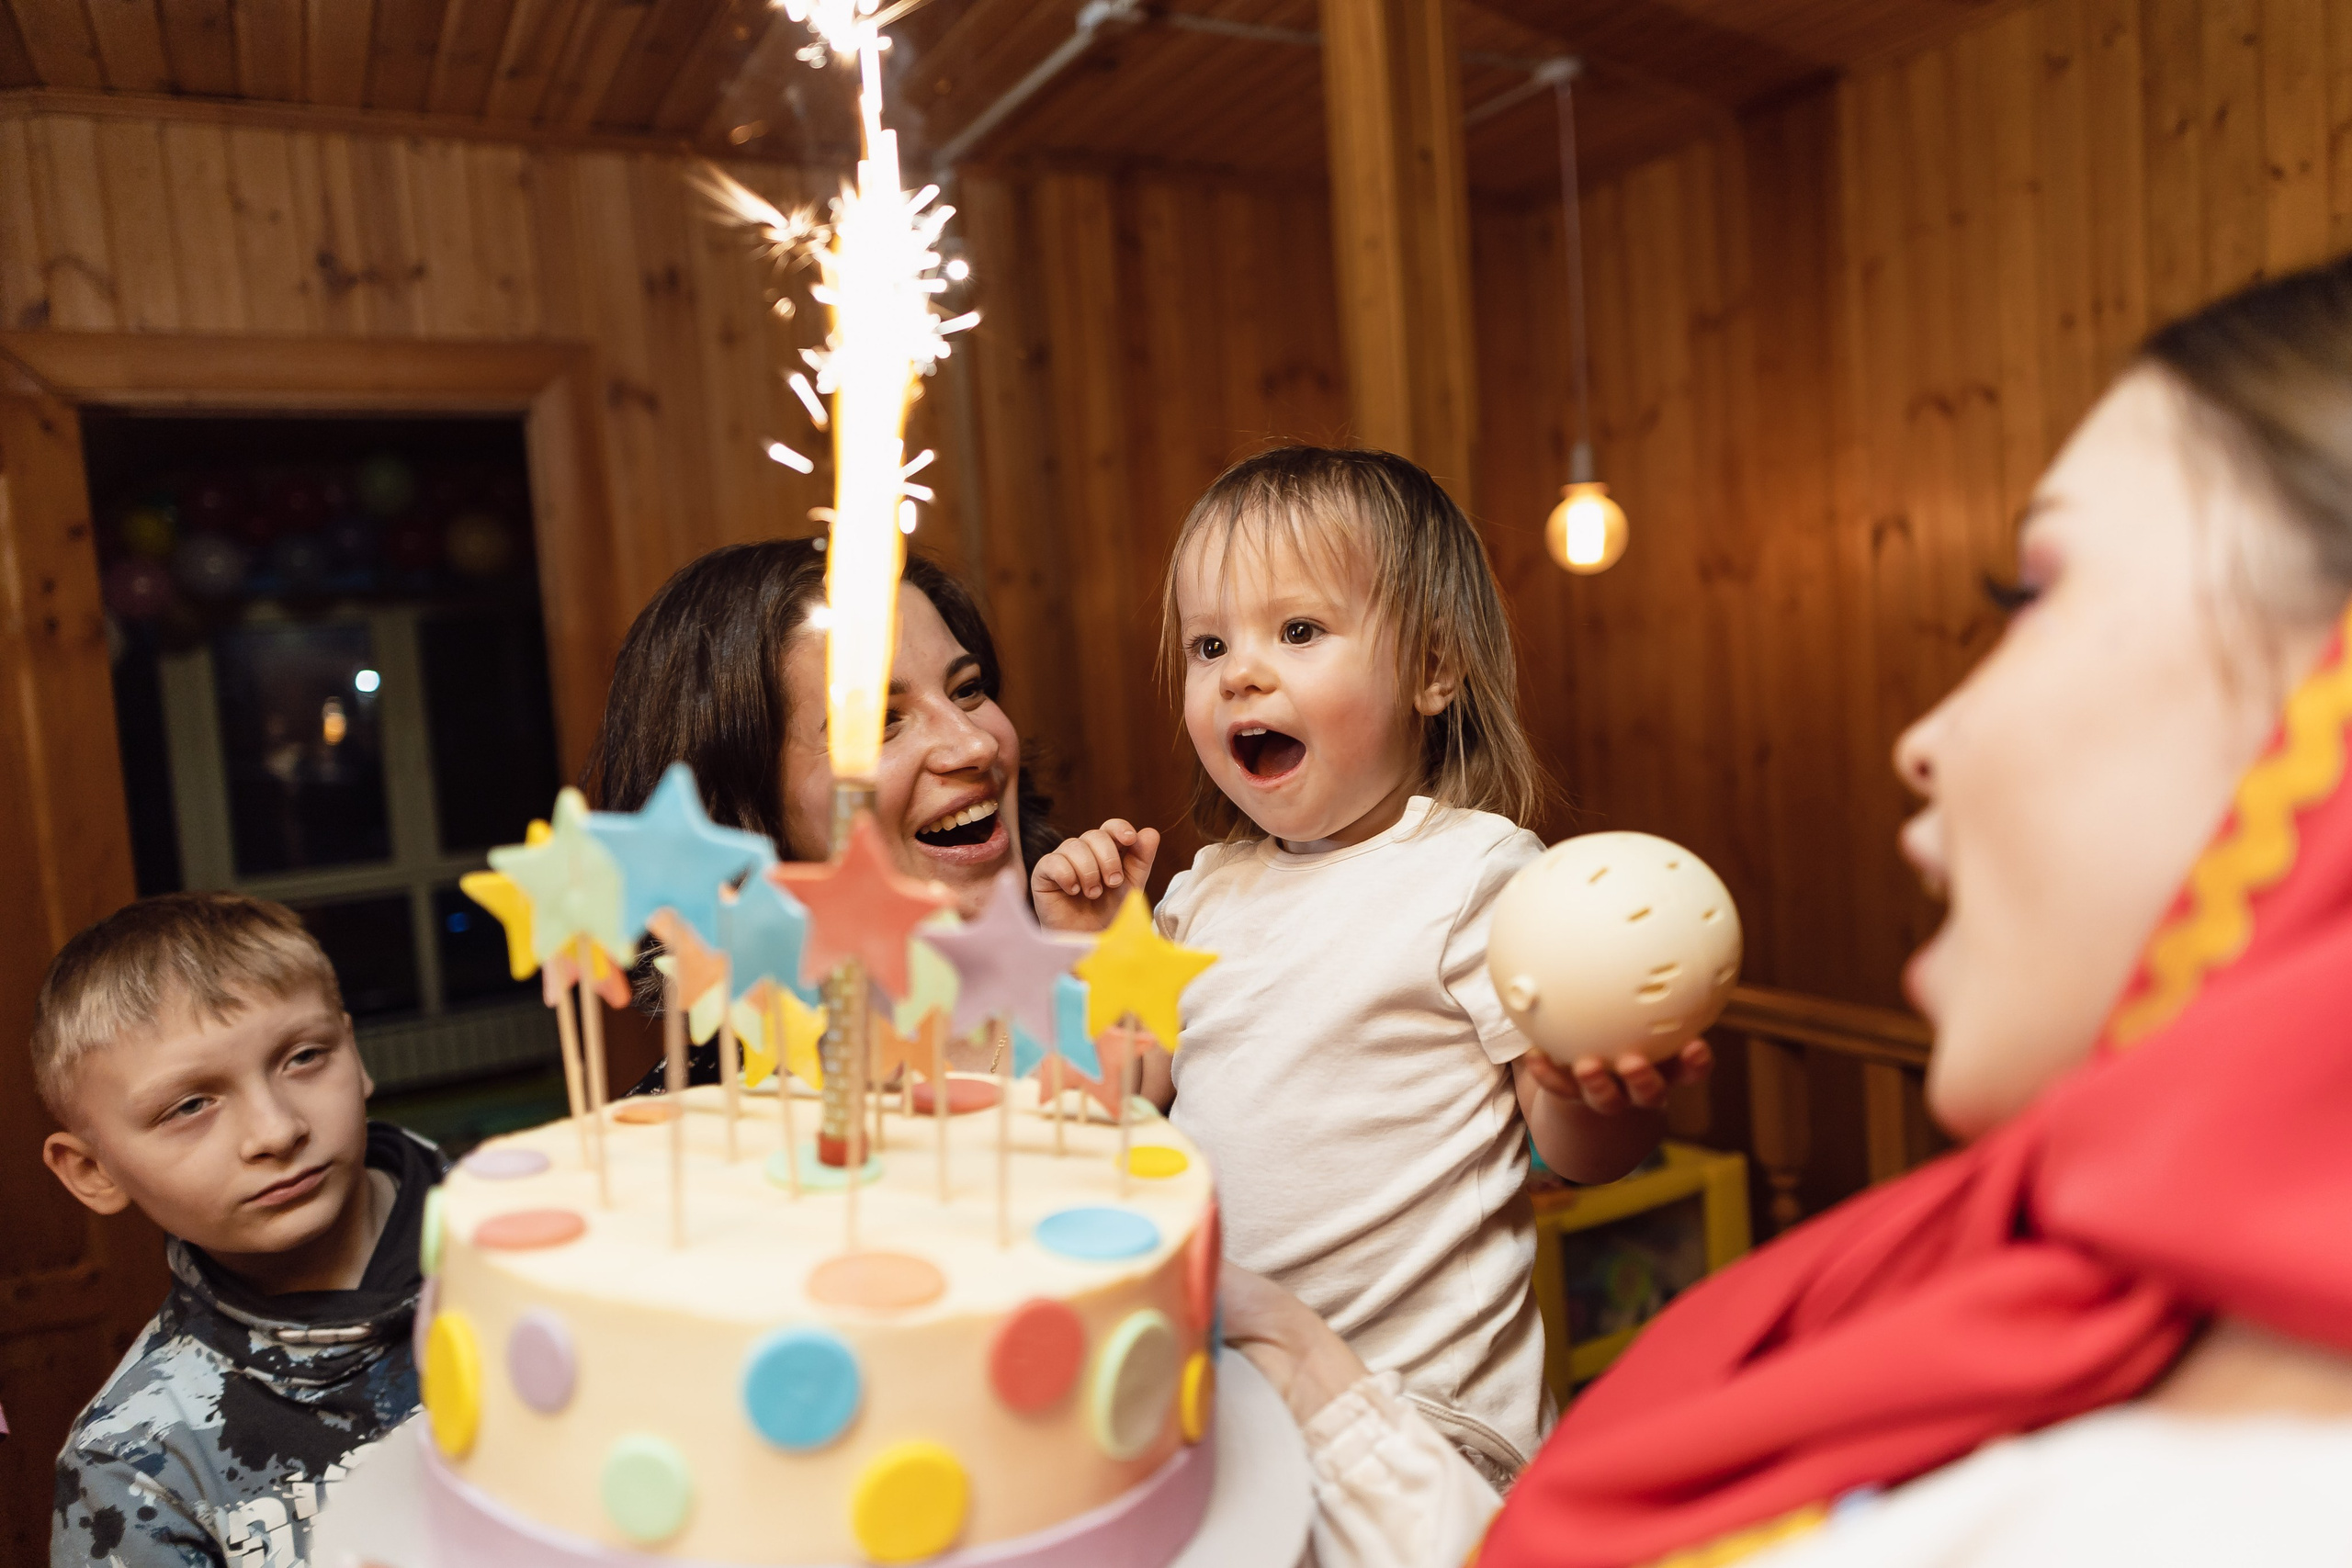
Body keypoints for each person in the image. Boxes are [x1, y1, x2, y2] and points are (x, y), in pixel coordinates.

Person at [1221, 258, 2352, 1566]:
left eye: (2026, 596)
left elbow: (1572, 1142)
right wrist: (1305, 1369)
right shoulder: (2018, 1288)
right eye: (1208, 645)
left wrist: (1338, 1384)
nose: (1927, 735)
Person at [1035, 447, 1712, 1484]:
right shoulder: (1203, 891)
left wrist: (1587, 1086)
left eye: (1298, 631)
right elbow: (1114, 1107)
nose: (1240, 673)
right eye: (1208, 644)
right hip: (1228, 1401)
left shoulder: (1475, 874)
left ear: (1432, 670)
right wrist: (1092, 949)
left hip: (1423, 1425)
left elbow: (1581, 1154)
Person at [37, 893, 445, 1568]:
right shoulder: (134, 1464)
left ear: (356, 1049)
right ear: (91, 1169)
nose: (278, 1129)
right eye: (190, 1104)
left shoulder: (559, 1241)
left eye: (305, 1056)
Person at [584, 540, 1084, 1088]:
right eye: (878, 724)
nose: (975, 745)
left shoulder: (1147, 1001)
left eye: (967, 690)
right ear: (740, 812)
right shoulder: (703, 1134)